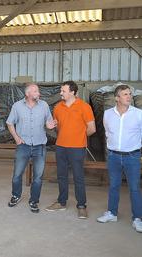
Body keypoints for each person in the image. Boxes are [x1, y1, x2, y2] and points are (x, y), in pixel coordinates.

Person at [45, 81, 96, 219]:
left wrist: (78, 136)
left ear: (73, 92)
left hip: (77, 148)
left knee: (78, 177)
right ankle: (61, 202)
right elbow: (57, 126)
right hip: (61, 146)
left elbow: (92, 128)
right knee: (61, 176)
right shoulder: (57, 107)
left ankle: (81, 206)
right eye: (61, 90)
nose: (61, 93)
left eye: (63, 91)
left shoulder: (84, 107)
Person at [97, 84, 142, 232]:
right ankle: (112, 213)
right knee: (114, 185)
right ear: (117, 98)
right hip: (113, 156)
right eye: (125, 94)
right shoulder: (108, 114)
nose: (129, 96)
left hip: (132, 156)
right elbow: (108, 133)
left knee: (134, 188)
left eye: (129, 94)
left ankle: (137, 218)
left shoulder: (138, 114)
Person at [6, 83, 56, 213]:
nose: (38, 93)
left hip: (39, 146)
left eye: (38, 91)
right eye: (35, 91)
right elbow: (9, 123)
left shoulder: (44, 105)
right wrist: (16, 138)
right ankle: (16, 195)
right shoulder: (17, 106)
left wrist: (50, 126)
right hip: (23, 146)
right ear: (27, 94)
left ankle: (34, 200)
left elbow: (48, 123)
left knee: (38, 177)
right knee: (17, 174)